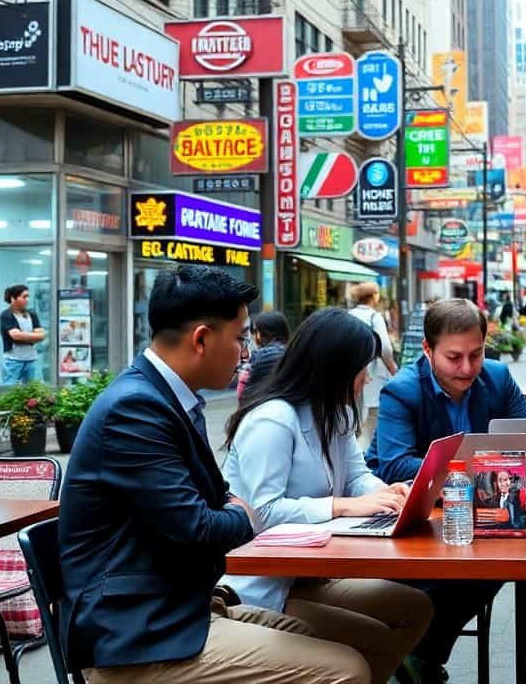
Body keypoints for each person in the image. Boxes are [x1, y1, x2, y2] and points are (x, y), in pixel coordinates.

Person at [60, 265, 370, 684]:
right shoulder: (135, 409)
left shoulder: (168, 399)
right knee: (346, 670)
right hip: (138, 637)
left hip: (181, 607)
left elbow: (215, 504)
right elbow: (203, 527)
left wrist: (232, 511)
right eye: (241, 337)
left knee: (314, 635)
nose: (246, 353)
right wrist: (244, 515)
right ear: (201, 339)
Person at [220, 308, 433, 682]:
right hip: (261, 585)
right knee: (371, 646)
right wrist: (345, 505)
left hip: (309, 573)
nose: (366, 376)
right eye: (360, 367)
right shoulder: (272, 420)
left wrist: (388, 494)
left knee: (415, 608)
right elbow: (262, 512)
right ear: (332, 367)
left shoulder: (331, 412)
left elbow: (357, 476)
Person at [365, 298, 526, 683]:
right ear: (427, 350)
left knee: (502, 554)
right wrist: (483, 471)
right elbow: (395, 463)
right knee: (459, 572)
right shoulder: (402, 391)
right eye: (454, 357)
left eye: (476, 354)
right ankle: (415, 656)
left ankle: (419, 655)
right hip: (411, 516)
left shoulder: (496, 377)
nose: (467, 368)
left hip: (476, 514)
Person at [348, 283, 398, 414]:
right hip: (372, 368)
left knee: (355, 407)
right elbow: (385, 347)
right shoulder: (375, 316)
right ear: (374, 297)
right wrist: (392, 367)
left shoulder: (349, 314)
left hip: (352, 367)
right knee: (372, 410)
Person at [237, 310, 291, 403]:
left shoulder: (257, 359)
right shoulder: (293, 354)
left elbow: (241, 395)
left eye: (255, 331)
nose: (253, 336)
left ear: (262, 333)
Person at [0, 284, 45, 384]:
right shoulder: (7, 315)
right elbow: (15, 335)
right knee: (10, 391)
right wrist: (33, 337)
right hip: (13, 360)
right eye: (24, 297)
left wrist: (24, 336)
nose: (27, 299)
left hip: (32, 360)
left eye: (28, 296)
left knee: (36, 391)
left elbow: (41, 335)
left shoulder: (32, 314)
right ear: (13, 298)